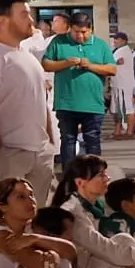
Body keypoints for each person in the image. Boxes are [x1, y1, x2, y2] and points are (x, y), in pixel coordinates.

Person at [0, 0, 58, 199]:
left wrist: (49, 142)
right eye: (24, 15)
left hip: (39, 151)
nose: (31, 21)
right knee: (7, 216)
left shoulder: (27, 56)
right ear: (3, 20)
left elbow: (40, 100)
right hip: (11, 152)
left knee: (36, 216)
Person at [43, 11, 117, 167]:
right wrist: (67, 63)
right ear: (70, 29)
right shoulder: (59, 42)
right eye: (76, 32)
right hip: (66, 102)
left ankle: (94, 174)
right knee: (68, 139)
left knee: (93, 139)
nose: (81, 36)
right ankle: (69, 177)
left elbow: (112, 69)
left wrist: (90, 66)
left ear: (90, 29)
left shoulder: (100, 44)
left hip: (93, 103)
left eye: (84, 32)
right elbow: (46, 64)